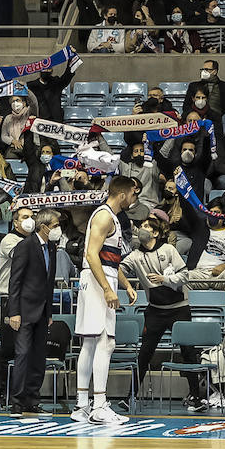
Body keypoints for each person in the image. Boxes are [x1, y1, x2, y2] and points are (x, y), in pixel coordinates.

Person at [121, 212, 207, 413]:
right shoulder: (135, 256)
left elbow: (184, 274)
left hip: (179, 309)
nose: (143, 229)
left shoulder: (168, 249)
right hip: (155, 312)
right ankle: (130, 396)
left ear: (156, 233)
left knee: (188, 352)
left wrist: (165, 280)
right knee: (144, 354)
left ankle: (196, 397)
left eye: (148, 227)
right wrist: (126, 286)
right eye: (141, 226)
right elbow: (118, 269)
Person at [73, 177, 140, 424]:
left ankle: (82, 406)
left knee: (90, 343)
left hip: (100, 277)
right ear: (123, 194)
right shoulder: (104, 216)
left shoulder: (108, 216)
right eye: (134, 194)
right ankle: (99, 406)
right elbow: (91, 255)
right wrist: (107, 289)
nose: (135, 199)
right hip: (97, 280)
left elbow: (109, 259)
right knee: (104, 342)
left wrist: (126, 285)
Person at [7, 209, 60, 418]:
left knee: (39, 357)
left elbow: (49, 283)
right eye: (55, 226)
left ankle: (32, 400)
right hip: (24, 311)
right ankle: (17, 403)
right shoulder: (25, 246)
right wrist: (14, 312)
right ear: (44, 226)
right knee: (22, 355)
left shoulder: (52, 248)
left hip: (42, 312)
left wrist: (49, 313)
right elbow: (15, 280)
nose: (58, 230)